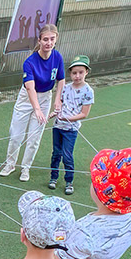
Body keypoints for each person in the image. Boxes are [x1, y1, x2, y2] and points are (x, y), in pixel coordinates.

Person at [2, 25, 64, 182]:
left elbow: (61, 79)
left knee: (34, 137)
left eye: (52, 39)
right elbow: (30, 87)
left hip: (45, 97)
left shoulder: (57, 57)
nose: (48, 43)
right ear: (39, 40)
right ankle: (10, 164)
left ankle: (26, 167)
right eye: (45, 39)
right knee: (16, 135)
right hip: (27, 98)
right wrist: (36, 109)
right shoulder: (29, 62)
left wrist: (57, 99)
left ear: (56, 39)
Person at [48, 56, 95, 194]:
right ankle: (53, 178)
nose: (77, 76)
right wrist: (55, 113)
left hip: (71, 129)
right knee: (56, 153)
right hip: (58, 126)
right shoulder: (66, 88)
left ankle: (69, 181)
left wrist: (68, 118)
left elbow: (84, 114)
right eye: (74, 73)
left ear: (86, 72)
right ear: (70, 73)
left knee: (67, 155)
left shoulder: (88, 91)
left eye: (81, 72)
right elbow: (61, 104)